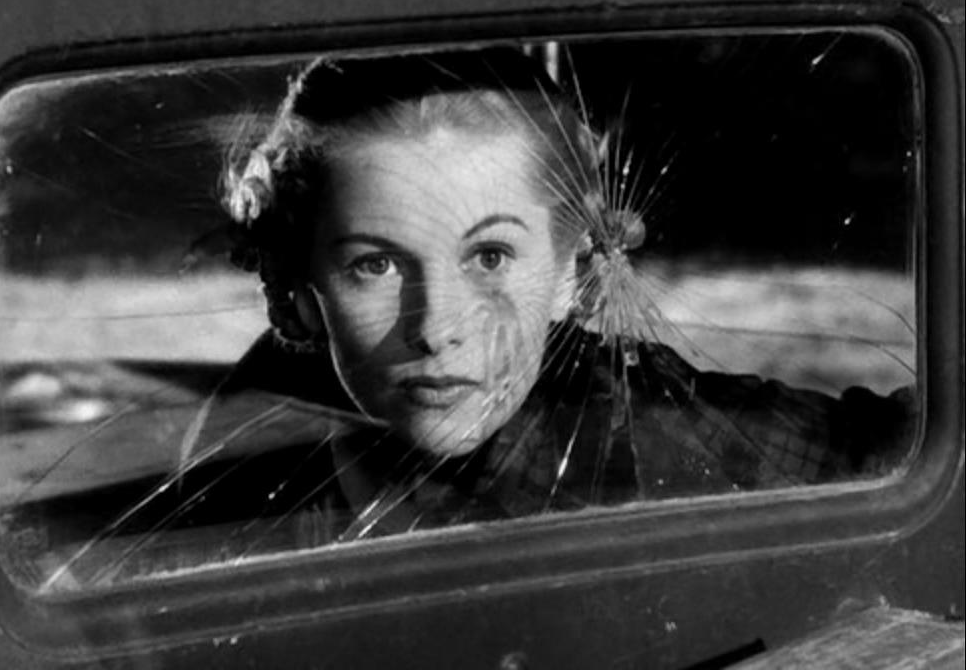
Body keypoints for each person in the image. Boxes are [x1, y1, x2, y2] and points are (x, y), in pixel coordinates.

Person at [182, 48, 913, 550]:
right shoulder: (242, 459)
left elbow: (898, 456)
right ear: (303, 287)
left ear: (572, 267)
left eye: (490, 257)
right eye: (374, 265)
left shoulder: (646, 428)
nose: (436, 327)